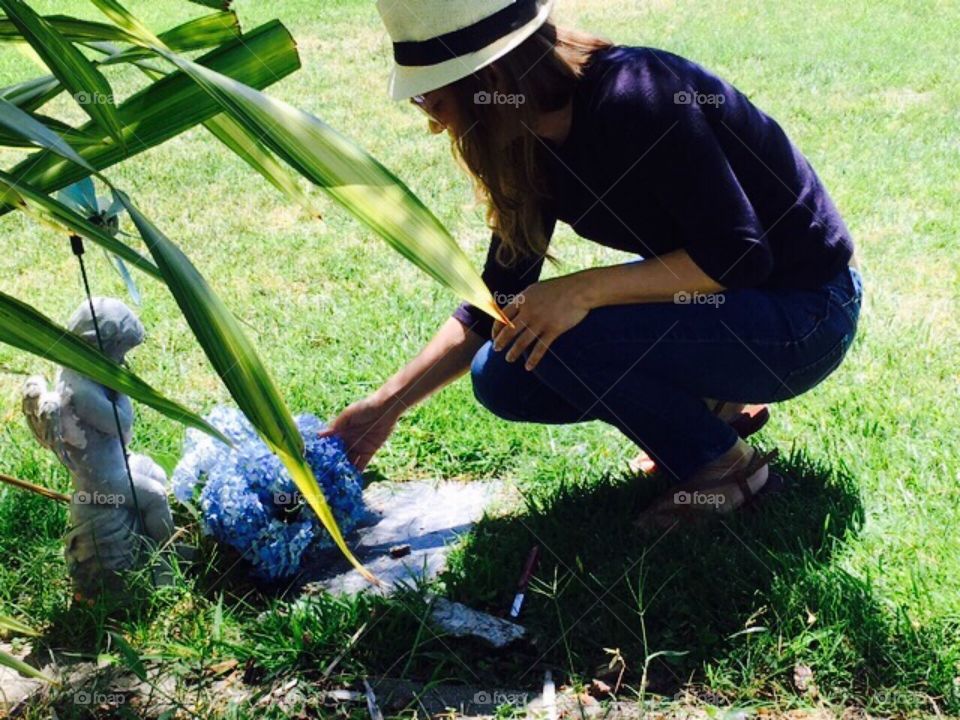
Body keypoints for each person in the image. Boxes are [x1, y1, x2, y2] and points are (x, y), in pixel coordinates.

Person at [322, 0, 863, 523]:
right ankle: (713, 410)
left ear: (486, 85)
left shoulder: (641, 96)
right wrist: (381, 409)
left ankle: (727, 472)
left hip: (807, 316)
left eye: (431, 102)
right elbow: (498, 300)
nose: (434, 124)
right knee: (502, 374)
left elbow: (739, 255)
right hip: (735, 310)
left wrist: (582, 290)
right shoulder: (528, 138)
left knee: (561, 337)